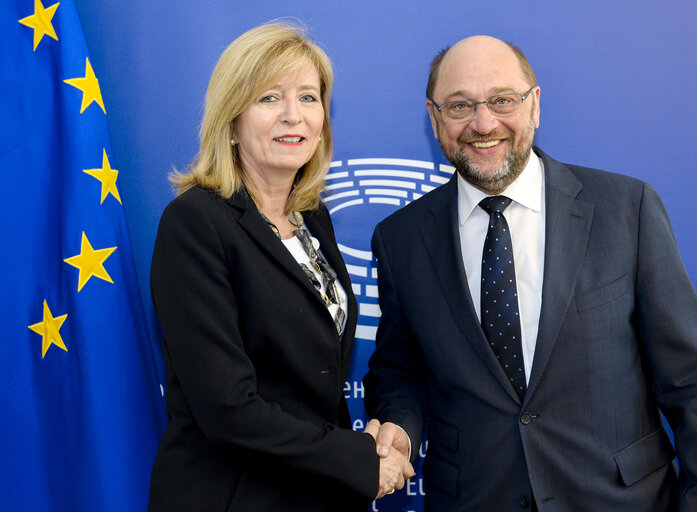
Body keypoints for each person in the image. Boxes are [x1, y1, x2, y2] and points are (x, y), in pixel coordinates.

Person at [364, 35, 697, 511]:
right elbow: (400, 370)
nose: (483, 123)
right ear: (434, 118)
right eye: (459, 106)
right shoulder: (400, 240)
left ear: (535, 105)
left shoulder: (627, 210)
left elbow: (689, 382)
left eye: (502, 100)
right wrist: (398, 425)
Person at [148, 22, 412, 511]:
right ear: (232, 120)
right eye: (269, 98)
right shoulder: (194, 223)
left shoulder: (312, 219)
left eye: (309, 98)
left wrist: (372, 445)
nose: (294, 116)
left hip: (316, 494)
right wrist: (356, 458)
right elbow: (227, 409)